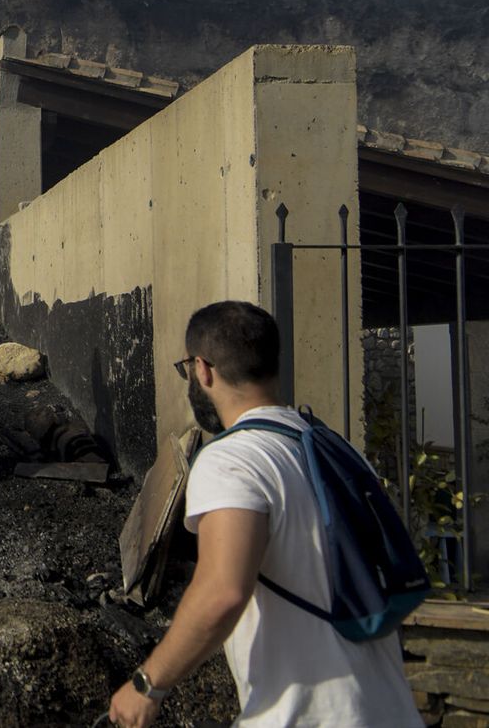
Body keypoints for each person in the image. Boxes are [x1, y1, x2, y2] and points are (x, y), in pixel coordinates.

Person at [107, 301, 421, 728]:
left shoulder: (232, 460)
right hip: (391, 710)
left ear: (203, 369)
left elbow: (222, 590)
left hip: (306, 716)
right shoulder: (335, 449)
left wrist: (148, 684)